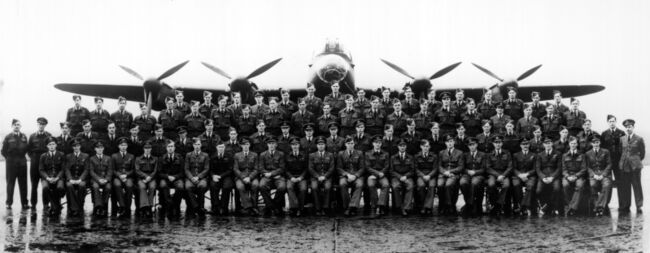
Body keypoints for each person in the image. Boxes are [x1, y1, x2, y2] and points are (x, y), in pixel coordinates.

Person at [618, 119, 645, 214]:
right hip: (624, 166)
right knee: (625, 186)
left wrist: (635, 161)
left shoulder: (639, 139)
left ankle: (639, 205)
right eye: (626, 127)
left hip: (635, 167)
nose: (628, 128)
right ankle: (626, 205)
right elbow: (621, 152)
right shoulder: (622, 139)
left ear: (633, 127)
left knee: (637, 186)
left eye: (629, 127)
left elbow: (642, 154)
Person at [258, 138, 287, 216]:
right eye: (270, 144)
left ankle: (272, 205)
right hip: (266, 176)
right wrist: (267, 174)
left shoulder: (281, 154)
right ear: (267, 145)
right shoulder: (262, 154)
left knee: (282, 187)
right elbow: (261, 168)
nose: (271, 145)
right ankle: (271, 206)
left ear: (276, 145)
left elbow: (282, 168)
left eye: (273, 144)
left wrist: (272, 174)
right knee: (262, 185)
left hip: (278, 176)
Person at [28, 117, 52, 210]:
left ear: (45, 125)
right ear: (37, 125)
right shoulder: (32, 136)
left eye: (43, 124)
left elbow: (51, 148)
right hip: (34, 163)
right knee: (34, 184)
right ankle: (33, 204)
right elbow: (29, 149)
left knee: (45, 184)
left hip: (45, 163)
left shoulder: (49, 136)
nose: (41, 126)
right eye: (39, 124)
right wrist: (33, 158)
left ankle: (46, 204)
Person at [337, 137, 365, 216]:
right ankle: (347, 206)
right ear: (345, 144)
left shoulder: (359, 153)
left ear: (354, 144)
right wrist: (347, 175)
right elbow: (339, 168)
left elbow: (362, 168)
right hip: (345, 176)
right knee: (342, 184)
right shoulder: (341, 154)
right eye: (348, 144)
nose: (350, 145)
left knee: (360, 184)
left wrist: (355, 176)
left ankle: (352, 207)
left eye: (352, 143)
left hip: (357, 175)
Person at [584, 135, 612, 216]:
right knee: (592, 185)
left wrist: (603, 175)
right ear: (591, 143)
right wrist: (593, 175)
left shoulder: (605, 151)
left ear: (600, 142)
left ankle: (599, 207)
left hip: (604, 173)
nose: (595, 144)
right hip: (594, 174)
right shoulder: (588, 153)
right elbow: (587, 167)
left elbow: (609, 164)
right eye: (593, 142)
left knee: (606, 185)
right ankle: (599, 206)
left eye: (597, 142)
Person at [158, 139, 185, 219]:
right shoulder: (161, 158)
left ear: (174, 148)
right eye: (169, 146)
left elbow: (182, 172)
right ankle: (169, 204)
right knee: (163, 185)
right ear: (166, 148)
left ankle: (176, 205)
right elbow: (159, 173)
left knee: (180, 187)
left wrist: (175, 177)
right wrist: (167, 177)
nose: (170, 148)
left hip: (176, 178)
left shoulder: (180, 158)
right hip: (165, 178)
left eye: (172, 146)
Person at [437, 135, 464, 215]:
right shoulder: (441, 153)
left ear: (454, 142)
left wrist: (450, 172)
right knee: (440, 185)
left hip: (454, 174)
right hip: (443, 174)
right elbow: (439, 166)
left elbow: (461, 167)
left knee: (448, 185)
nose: (450, 143)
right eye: (448, 142)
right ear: (445, 143)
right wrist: (444, 172)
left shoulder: (459, 153)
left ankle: (450, 205)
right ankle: (441, 205)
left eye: (451, 141)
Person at [486, 135, 513, 216]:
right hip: (493, 174)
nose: (498, 144)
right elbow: (488, 167)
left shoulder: (507, 153)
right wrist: (498, 175)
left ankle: (497, 204)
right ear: (493, 144)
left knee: (506, 185)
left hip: (504, 174)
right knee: (491, 184)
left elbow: (510, 167)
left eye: (499, 142)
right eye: (496, 143)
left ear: (502, 143)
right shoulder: (490, 154)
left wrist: (503, 175)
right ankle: (493, 203)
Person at [535, 137, 562, 216]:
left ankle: (551, 207)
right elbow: (538, 168)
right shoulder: (540, 155)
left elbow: (559, 168)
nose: (548, 145)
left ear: (552, 144)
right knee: (538, 191)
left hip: (554, 176)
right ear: (543, 145)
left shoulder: (558, 153)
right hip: (543, 177)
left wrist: (552, 177)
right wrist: (543, 177)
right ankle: (544, 205)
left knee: (557, 189)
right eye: (546, 144)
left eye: (549, 143)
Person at [38, 137, 65, 217]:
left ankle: (55, 206)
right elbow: (41, 170)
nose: (51, 146)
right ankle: (50, 206)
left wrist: (57, 178)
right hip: (47, 178)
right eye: (49, 144)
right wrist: (47, 178)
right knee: (45, 187)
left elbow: (63, 169)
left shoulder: (61, 154)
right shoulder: (43, 156)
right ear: (47, 146)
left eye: (53, 144)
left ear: (56, 145)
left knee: (60, 187)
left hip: (58, 177)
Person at [233, 138, 260, 216]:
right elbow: (235, 169)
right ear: (241, 146)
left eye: (247, 144)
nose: (245, 146)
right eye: (244, 145)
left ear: (249, 145)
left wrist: (250, 178)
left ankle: (254, 206)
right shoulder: (237, 155)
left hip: (252, 177)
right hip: (240, 177)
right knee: (240, 187)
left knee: (255, 185)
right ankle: (249, 207)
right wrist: (243, 177)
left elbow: (256, 169)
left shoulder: (254, 155)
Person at [309, 137, 336, 215]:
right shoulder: (312, 155)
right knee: (314, 187)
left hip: (327, 177)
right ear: (317, 146)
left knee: (328, 187)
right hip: (315, 177)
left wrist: (325, 176)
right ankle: (318, 208)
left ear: (325, 145)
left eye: (322, 144)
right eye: (319, 144)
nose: (321, 146)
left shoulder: (330, 155)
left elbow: (332, 168)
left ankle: (325, 207)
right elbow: (310, 168)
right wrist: (317, 177)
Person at [460, 137, 486, 216]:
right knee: (462, 183)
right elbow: (462, 167)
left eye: (473, 144)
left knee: (474, 183)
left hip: (479, 175)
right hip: (467, 174)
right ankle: (471, 203)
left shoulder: (482, 154)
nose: (472, 146)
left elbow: (484, 168)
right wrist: (468, 171)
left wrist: (475, 172)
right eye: (470, 145)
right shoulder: (465, 155)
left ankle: (469, 205)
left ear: (477, 145)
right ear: (468, 146)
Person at [511, 138, 537, 216]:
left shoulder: (534, 155)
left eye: (526, 144)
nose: (525, 146)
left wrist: (527, 175)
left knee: (530, 186)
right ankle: (522, 205)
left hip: (530, 176)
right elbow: (514, 168)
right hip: (518, 175)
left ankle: (522, 206)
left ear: (529, 145)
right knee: (516, 185)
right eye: (523, 144)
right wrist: (520, 175)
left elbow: (535, 169)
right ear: (520, 145)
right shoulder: (515, 155)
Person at [365, 135, 391, 216]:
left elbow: (387, 166)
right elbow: (368, 167)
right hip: (372, 176)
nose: (377, 144)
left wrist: (381, 173)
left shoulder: (386, 154)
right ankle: (374, 206)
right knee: (371, 185)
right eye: (376, 143)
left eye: (379, 143)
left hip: (382, 175)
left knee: (386, 185)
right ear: (373, 144)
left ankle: (381, 205)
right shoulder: (367, 154)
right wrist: (377, 174)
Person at [184, 138, 209, 217]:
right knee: (188, 187)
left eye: (198, 144)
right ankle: (196, 207)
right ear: (193, 145)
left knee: (202, 186)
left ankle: (201, 206)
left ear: (201, 145)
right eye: (195, 145)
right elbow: (186, 169)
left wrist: (198, 177)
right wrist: (191, 178)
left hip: (201, 178)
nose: (197, 146)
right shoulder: (188, 155)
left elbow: (206, 169)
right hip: (190, 177)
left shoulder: (205, 155)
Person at [88, 141, 114, 217]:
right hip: (95, 179)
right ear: (95, 149)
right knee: (95, 187)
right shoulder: (91, 158)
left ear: (103, 149)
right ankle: (98, 207)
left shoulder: (108, 158)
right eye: (98, 148)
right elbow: (91, 171)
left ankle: (103, 206)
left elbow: (110, 170)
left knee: (108, 187)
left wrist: (106, 179)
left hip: (105, 179)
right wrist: (99, 179)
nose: (99, 149)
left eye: (101, 148)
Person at [562, 137, 587, 216]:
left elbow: (584, 169)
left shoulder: (582, 155)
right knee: (565, 185)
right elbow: (563, 169)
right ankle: (572, 206)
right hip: (568, 176)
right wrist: (568, 176)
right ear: (569, 144)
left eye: (575, 143)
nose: (573, 145)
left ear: (577, 144)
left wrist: (576, 176)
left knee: (579, 186)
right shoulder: (565, 155)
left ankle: (571, 207)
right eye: (572, 143)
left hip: (578, 175)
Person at [390, 140, 415, 216]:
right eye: (401, 146)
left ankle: (406, 207)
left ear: (406, 147)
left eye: (404, 146)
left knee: (410, 186)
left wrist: (406, 176)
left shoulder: (410, 157)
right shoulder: (393, 157)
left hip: (407, 176)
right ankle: (399, 206)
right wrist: (400, 177)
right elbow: (391, 170)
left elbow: (412, 170)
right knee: (395, 186)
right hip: (396, 177)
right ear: (398, 147)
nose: (402, 147)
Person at [209, 141, 234, 216]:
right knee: (213, 186)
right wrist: (213, 176)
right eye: (219, 147)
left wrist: (221, 176)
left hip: (226, 176)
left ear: (224, 148)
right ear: (217, 148)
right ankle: (215, 207)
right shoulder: (212, 156)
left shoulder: (229, 156)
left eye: (222, 147)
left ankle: (224, 207)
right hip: (215, 176)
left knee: (227, 187)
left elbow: (230, 169)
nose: (221, 149)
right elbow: (210, 169)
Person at [284, 138, 309, 217]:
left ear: (299, 145)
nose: (295, 146)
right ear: (291, 146)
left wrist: (301, 177)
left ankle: (300, 208)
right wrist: (291, 178)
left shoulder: (304, 155)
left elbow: (306, 169)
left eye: (296, 145)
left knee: (303, 188)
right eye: (293, 145)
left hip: (301, 177)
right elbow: (286, 169)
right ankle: (295, 208)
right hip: (291, 177)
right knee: (289, 187)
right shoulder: (287, 156)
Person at [111, 137, 135, 218]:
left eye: (125, 145)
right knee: (117, 185)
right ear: (118, 146)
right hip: (118, 177)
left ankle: (127, 207)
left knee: (129, 185)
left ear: (127, 146)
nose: (123, 147)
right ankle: (122, 206)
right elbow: (113, 169)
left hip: (128, 177)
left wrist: (126, 175)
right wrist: (119, 176)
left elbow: (133, 169)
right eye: (121, 145)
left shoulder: (131, 156)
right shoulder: (114, 156)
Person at [600, 114, 625, 190]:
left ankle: (622, 201)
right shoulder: (604, 134)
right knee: (608, 182)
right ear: (607, 122)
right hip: (608, 161)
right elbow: (602, 148)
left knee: (620, 181)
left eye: (613, 121)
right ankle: (607, 200)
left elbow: (624, 147)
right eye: (610, 121)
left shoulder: (621, 133)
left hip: (618, 160)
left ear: (616, 121)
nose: (612, 123)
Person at [64, 138, 88, 216]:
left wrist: (80, 179)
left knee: (82, 185)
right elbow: (67, 169)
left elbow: (86, 169)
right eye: (74, 146)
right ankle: (74, 208)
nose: (76, 147)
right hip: (72, 178)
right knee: (69, 185)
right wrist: (70, 179)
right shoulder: (68, 156)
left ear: (80, 146)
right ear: (72, 147)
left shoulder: (85, 156)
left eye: (77, 145)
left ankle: (80, 206)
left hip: (81, 179)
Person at [414, 139, 438, 215]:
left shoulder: (434, 156)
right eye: (424, 146)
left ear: (429, 147)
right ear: (421, 147)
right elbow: (416, 169)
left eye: (427, 146)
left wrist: (429, 176)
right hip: (421, 176)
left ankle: (428, 207)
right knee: (421, 186)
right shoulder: (417, 156)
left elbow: (435, 168)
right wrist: (423, 176)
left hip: (431, 175)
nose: (426, 148)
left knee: (432, 186)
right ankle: (423, 206)